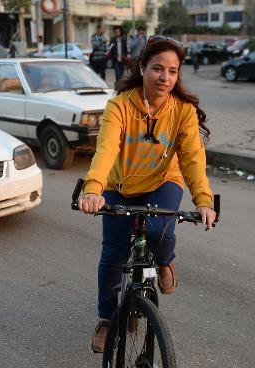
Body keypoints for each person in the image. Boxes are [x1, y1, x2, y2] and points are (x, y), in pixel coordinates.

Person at [77, 36, 216, 353]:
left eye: (173, 71)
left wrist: (204, 201)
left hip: (163, 181)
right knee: (113, 254)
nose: (165, 78)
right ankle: (107, 318)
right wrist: (93, 189)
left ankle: (166, 263)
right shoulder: (120, 106)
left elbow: (193, 159)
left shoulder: (183, 112)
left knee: (160, 229)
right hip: (120, 186)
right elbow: (106, 149)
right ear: (142, 68)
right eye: (157, 68)